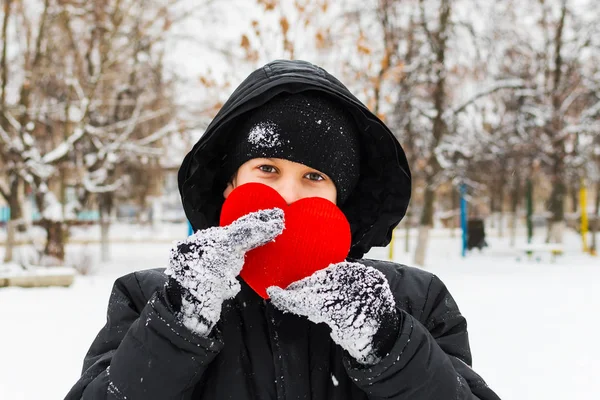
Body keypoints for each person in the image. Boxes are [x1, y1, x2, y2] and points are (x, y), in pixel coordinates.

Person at [66, 60, 500, 400]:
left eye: (314, 177)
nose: (288, 193)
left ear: (339, 200)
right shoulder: (149, 299)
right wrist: (180, 321)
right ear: (230, 183)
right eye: (267, 168)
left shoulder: (412, 300)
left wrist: (386, 343)